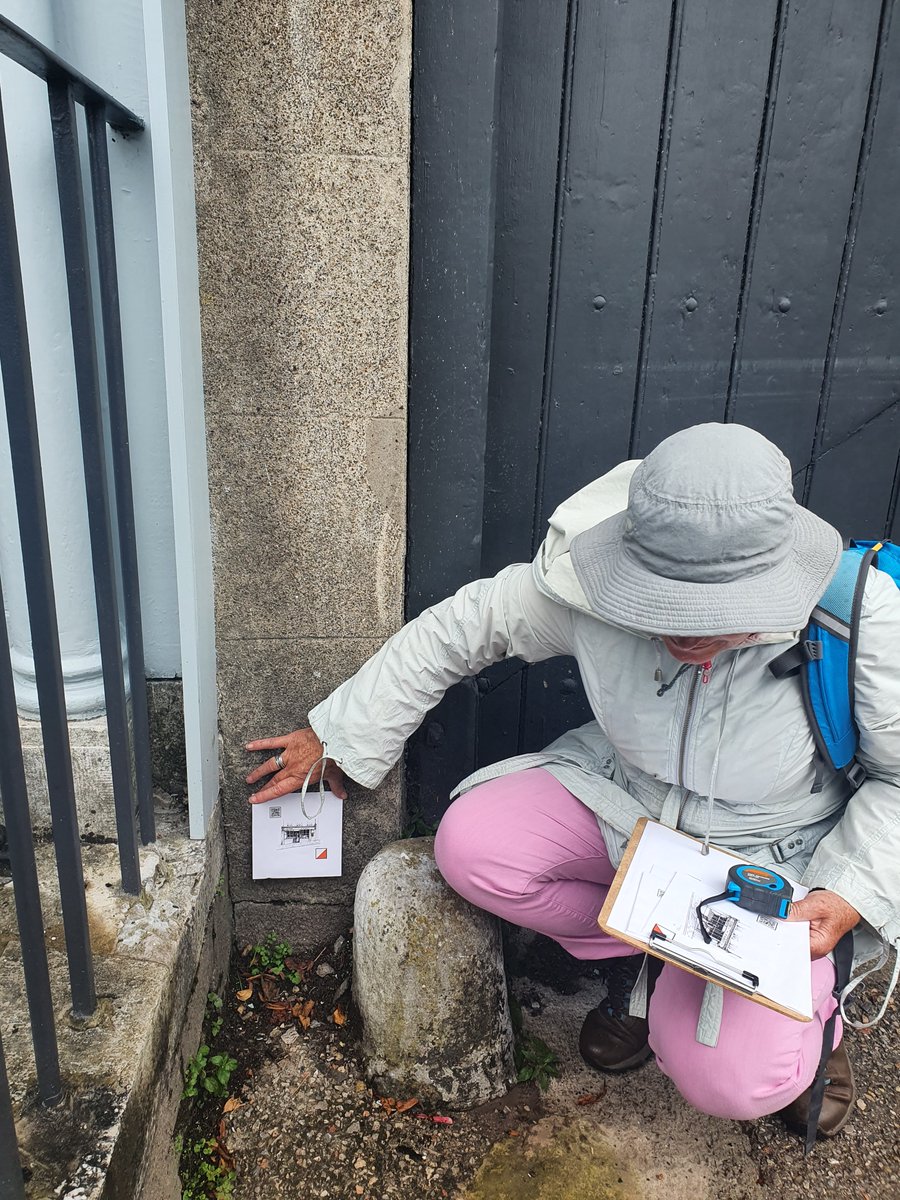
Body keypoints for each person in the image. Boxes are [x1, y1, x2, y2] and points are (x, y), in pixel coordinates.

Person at [245, 423, 900, 1139]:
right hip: (632, 801)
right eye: (662, 599)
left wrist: (847, 891)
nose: (683, 629)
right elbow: (466, 626)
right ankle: (648, 966)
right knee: (473, 847)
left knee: (734, 1080)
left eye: (712, 611)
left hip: (775, 852)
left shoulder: (854, 621)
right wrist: (339, 734)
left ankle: (820, 1024)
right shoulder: (589, 583)